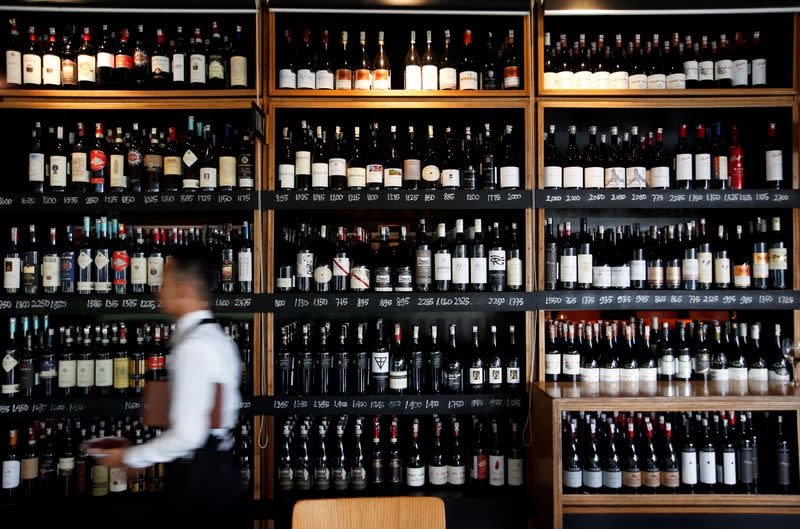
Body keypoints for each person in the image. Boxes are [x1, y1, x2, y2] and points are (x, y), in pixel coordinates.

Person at [89, 244, 242, 521]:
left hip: (199, 485)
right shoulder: (218, 339)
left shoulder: (193, 347)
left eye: (164, 282)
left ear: (183, 289)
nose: (158, 289)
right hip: (218, 473)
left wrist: (130, 457)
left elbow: (188, 435)